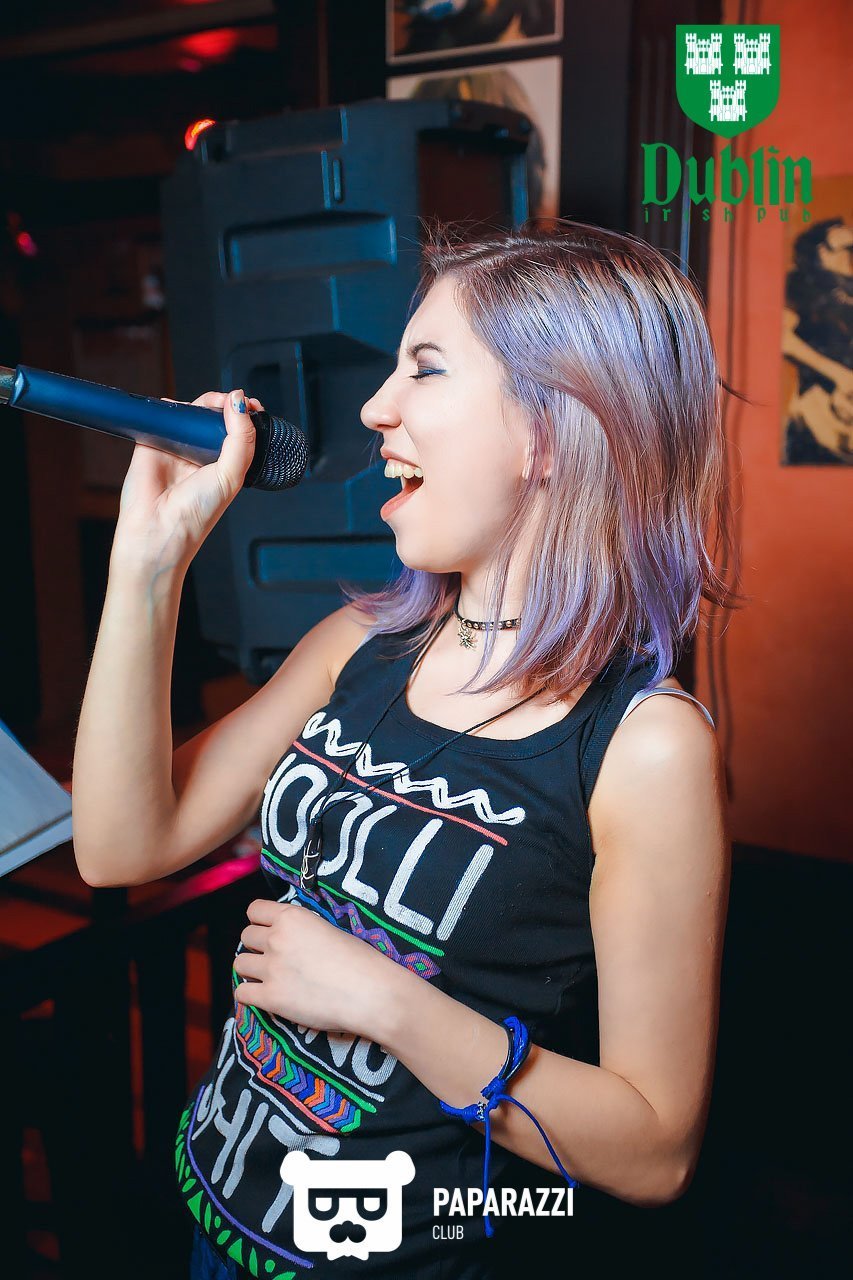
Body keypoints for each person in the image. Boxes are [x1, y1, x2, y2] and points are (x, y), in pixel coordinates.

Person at [72, 219, 740, 1279]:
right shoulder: (358, 645)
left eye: (424, 369)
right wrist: (147, 564)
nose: (376, 407)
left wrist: (387, 1004)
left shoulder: (643, 748)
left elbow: (654, 1150)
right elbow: (120, 846)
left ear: (553, 429)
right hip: (219, 1220)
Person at [782, 217, 853, 465]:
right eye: (843, 248)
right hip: (820, 411)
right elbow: (783, 337)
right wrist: (839, 375)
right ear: (820, 251)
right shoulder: (801, 284)